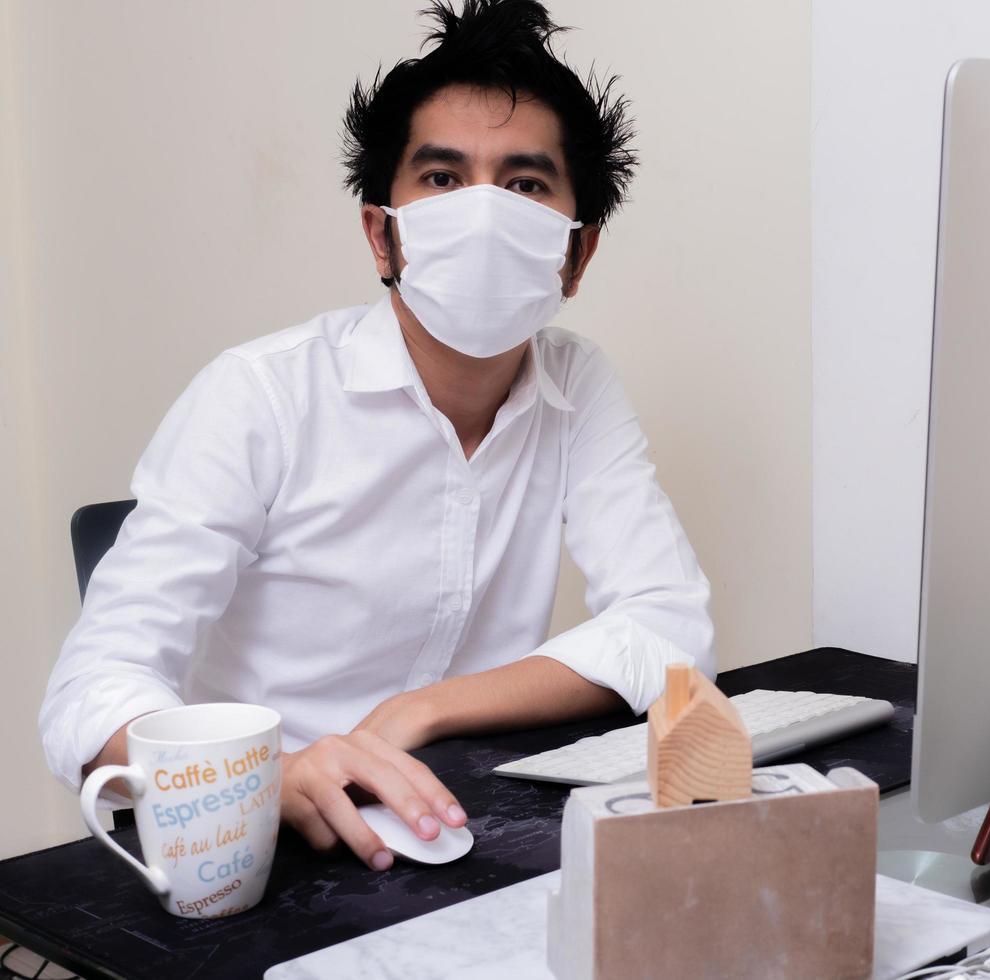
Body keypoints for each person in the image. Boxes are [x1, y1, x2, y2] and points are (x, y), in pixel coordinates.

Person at [39, 0, 713, 872]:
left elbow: (669, 629)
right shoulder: (260, 395)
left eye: (524, 185)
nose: (480, 214)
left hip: (456, 827)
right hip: (255, 845)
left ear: (575, 256)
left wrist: (422, 710)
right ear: (380, 233)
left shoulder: (577, 384)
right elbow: (89, 693)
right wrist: (265, 775)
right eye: (440, 178)